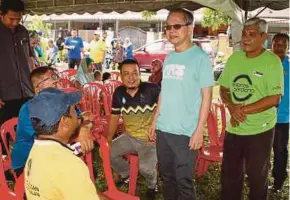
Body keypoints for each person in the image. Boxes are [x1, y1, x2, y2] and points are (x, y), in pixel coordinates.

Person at [149, 9, 214, 200]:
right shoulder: (169, 58)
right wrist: (155, 121)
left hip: (186, 133)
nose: (171, 31)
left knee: (184, 181)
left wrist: (199, 130)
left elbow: (207, 98)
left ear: (190, 28)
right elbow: (164, 93)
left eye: (177, 26)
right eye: (168, 27)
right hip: (164, 129)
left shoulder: (200, 58)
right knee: (167, 177)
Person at [218, 18, 284, 200]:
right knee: (230, 178)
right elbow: (223, 88)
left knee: (257, 178)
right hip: (234, 129)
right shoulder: (234, 59)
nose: (245, 38)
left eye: (252, 34)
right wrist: (232, 107)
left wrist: (242, 110)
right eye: (244, 33)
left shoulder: (272, 62)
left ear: (264, 37)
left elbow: (274, 98)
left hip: (260, 129)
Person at [24, 88, 108, 200]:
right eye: (74, 111)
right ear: (65, 122)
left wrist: (85, 126)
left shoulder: (35, 151)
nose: (78, 116)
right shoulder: (69, 165)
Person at [11, 66, 94, 176]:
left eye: (58, 81)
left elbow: (88, 116)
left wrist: (84, 129)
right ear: (38, 89)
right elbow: (55, 133)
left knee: (85, 172)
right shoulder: (28, 109)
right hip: (29, 162)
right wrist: (80, 122)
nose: (59, 86)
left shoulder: (62, 101)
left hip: (54, 154)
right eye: (53, 83)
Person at [108, 59, 160, 200]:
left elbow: (164, 110)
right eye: (126, 74)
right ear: (121, 76)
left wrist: (156, 131)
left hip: (149, 139)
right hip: (129, 136)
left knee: (146, 169)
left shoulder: (152, 89)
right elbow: (114, 117)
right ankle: (127, 174)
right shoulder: (118, 93)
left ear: (140, 74)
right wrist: (108, 139)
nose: (131, 77)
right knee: (107, 153)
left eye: (134, 73)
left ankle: (152, 185)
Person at [0, 0, 35, 125]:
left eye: (18, 19)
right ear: (1, 14)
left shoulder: (23, 31)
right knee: (5, 133)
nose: (15, 23)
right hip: (5, 96)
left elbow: (30, 58)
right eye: (11, 19)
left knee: (26, 131)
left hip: (27, 92)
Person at [270, 33, 289, 192]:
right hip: (262, 116)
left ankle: (278, 181)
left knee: (280, 150)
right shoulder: (264, 65)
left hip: (282, 119)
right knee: (260, 150)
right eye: (277, 44)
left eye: (283, 44)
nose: (279, 47)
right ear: (271, 45)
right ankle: (257, 177)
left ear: (287, 47)